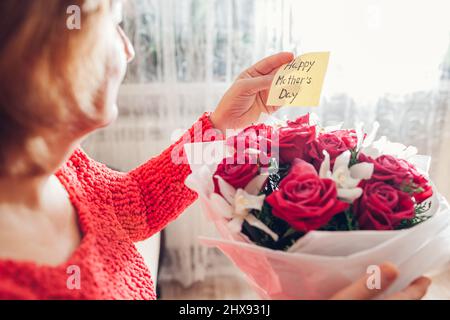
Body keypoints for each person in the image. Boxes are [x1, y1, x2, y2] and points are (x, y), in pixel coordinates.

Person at [0, 0, 430, 299]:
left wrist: (222, 126)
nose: (129, 50)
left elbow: (133, 205)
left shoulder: (64, 166)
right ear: (45, 50)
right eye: (113, 25)